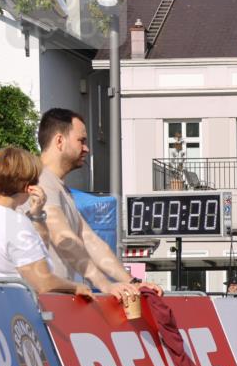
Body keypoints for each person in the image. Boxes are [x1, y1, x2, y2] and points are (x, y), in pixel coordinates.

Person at [22, 108, 162, 302]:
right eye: (81, 140)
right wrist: (105, 285)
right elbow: (63, 237)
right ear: (59, 141)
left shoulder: (59, 187)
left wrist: (132, 281)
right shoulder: (41, 180)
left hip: (57, 303)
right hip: (43, 306)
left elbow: (90, 241)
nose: (87, 148)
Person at [0, 146, 92, 299]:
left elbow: (34, 249)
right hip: (19, 312)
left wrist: (36, 214)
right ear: (27, 187)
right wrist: (76, 287)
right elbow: (42, 283)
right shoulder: (15, 223)